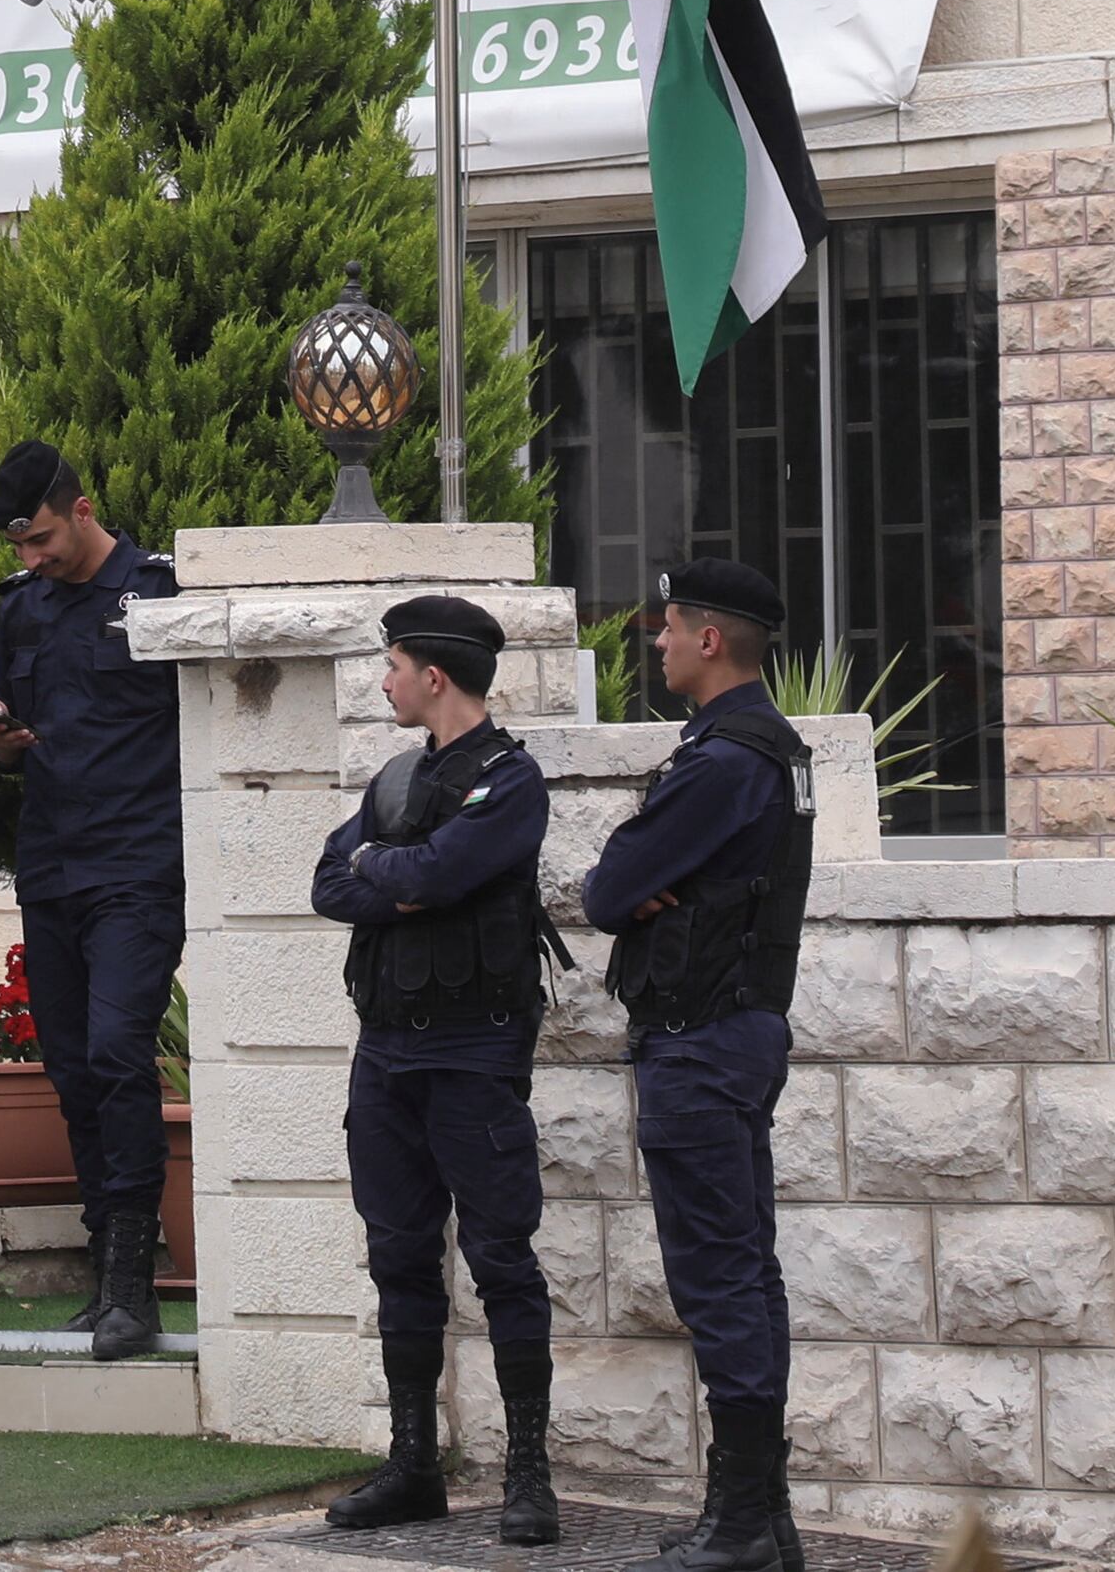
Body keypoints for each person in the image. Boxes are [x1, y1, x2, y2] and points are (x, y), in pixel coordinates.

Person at [308, 592, 563, 1548]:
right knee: (399, 1255)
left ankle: (528, 1474)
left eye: (393, 664)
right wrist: (395, 870)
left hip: (473, 1050)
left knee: (501, 1258)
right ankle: (413, 1465)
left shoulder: (513, 778)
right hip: (387, 1053)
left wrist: (394, 871)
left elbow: (436, 875)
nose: (384, 679)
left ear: (436, 675)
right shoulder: (394, 779)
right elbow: (330, 884)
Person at [578, 561, 819, 1572]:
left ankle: (742, 1523)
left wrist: (637, 891)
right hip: (734, 1031)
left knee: (719, 1276)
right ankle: (760, 1514)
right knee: (742, 1271)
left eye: (668, 630)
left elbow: (605, 889)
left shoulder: (722, 761)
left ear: (709, 639)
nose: (658, 644)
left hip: (701, 1038)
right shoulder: (769, 749)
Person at [0, 439, 185, 1359]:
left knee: (115, 1052)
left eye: (44, 538)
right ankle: (105, 1271)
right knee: (70, 1069)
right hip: (52, 864)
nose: (33, 558)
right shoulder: (22, 608)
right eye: (21, 546)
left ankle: (136, 1281)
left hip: (139, 863)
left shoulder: (161, 592)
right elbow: (5, 721)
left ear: (84, 506)